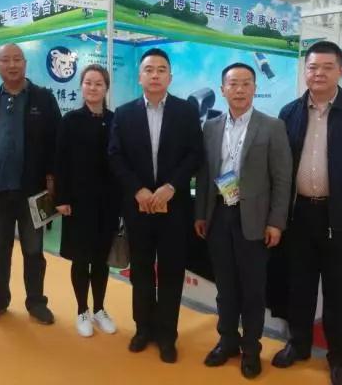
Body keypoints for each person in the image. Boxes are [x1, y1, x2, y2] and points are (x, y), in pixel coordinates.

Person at [272, 41, 342, 385]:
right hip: (299, 215)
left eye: (326, 67)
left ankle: (340, 359)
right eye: (312, 67)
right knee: (299, 285)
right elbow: (280, 165)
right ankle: (299, 345)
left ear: (340, 70)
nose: (318, 73)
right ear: (305, 71)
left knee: (338, 291)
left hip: (340, 218)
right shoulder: (290, 112)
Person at [194, 63, 292, 379]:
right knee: (225, 287)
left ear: (254, 88)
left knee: (253, 290)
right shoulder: (211, 127)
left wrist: (276, 222)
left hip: (255, 219)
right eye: (233, 84)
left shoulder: (272, 126)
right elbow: (205, 174)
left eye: (246, 83)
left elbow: (282, 178)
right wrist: (201, 214)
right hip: (219, 214)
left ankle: (251, 348)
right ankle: (227, 341)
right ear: (222, 89)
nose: (239, 89)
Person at [108, 48, 203, 363]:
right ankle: (143, 329)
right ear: (140, 77)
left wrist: (171, 187)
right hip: (138, 207)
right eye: (149, 69)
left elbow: (195, 154)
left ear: (170, 77)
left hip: (174, 208)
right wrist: (137, 190)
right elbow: (115, 156)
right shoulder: (124, 113)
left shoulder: (186, 111)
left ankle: (167, 335)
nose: (155, 75)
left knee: (172, 272)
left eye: (161, 69)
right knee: (141, 270)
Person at [0, 43, 61, 326]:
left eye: (17, 59)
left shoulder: (43, 99)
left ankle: (36, 302)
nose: (12, 65)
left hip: (36, 193)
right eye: (5, 60)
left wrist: (53, 180)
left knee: (34, 251)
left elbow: (57, 143)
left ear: (25, 63)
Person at [54, 64, 119, 338]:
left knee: (102, 260)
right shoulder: (70, 120)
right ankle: (82, 310)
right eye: (88, 83)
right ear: (81, 87)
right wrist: (61, 198)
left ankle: (100, 309)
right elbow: (60, 162)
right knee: (81, 259)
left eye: (98, 83)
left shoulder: (116, 120)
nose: (93, 88)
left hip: (108, 202)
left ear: (106, 88)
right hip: (77, 202)